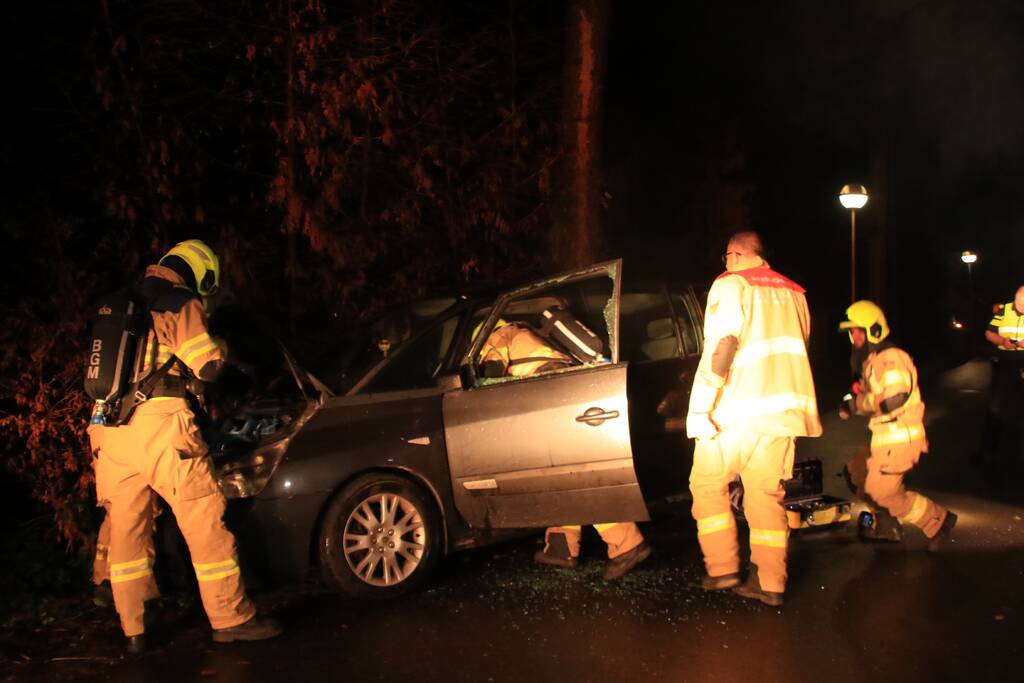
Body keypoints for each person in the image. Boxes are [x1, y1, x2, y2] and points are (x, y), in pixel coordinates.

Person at [87, 239, 281, 652]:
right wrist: (226, 349)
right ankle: (231, 617)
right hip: (159, 428)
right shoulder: (178, 300)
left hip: (108, 429)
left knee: (128, 532)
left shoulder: (123, 301)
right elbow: (207, 365)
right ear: (200, 274)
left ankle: (134, 628)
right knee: (204, 519)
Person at [686, 231, 821, 607]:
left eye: (726, 255)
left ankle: (723, 568)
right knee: (765, 496)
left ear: (737, 254)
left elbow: (722, 346)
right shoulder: (795, 292)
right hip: (783, 415)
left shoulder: (732, 284)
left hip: (737, 409)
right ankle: (769, 582)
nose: (724, 262)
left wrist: (701, 408)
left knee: (707, 485)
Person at [477, 318, 652, 580]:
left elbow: (490, 376)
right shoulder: (524, 331)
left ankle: (627, 544)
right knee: (558, 477)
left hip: (548, 397)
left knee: (570, 479)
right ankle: (560, 547)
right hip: (562, 392)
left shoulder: (498, 336)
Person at [839, 300, 957, 550]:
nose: (854, 337)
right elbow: (862, 393)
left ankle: (938, 520)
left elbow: (895, 398)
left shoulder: (891, 358)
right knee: (855, 474)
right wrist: (850, 400)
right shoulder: (872, 361)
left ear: (874, 330)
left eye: (858, 330)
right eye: (852, 332)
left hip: (900, 438)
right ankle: (886, 527)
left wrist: (859, 404)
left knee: (883, 493)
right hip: (884, 439)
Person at [975, 285, 1024, 469]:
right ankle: (988, 452)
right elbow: (989, 333)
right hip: (1005, 363)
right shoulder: (1004, 311)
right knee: (996, 407)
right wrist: (1003, 341)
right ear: (1016, 300)